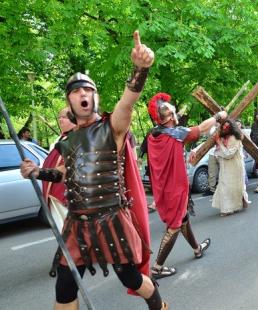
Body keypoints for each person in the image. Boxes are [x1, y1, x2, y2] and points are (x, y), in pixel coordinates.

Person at [20, 31, 166, 309]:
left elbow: (128, 100)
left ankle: (159, 305)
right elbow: (64, 173)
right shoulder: (69, 140)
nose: (82, 93)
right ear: (70, 102)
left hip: (112, 218)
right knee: (65, 286)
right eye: (76, 91)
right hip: (78, 224)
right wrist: (37, 172)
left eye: (87, 89)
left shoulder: (113, 126)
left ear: (95, 97)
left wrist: (140, 68)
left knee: (131, 278)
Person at [147, 92, 227, 279]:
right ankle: (157, 268)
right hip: (174, 188)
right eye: (173, 112)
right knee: (175, 226)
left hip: (164, 187)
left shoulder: (153, 135)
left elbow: (169, 152)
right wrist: (218, 117)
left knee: (182, 219)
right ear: (170, 116)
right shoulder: (175, 134)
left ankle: (197, 249)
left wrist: (181, 154)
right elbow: (199, 129)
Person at [41, 107, 76, 231]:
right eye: (59, 117)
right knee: (63, 230)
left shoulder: (78, 138)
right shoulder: (61, 139)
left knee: (71, 231)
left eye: (64, 117)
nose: (60, 120)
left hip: (66, 193)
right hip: (53, 191)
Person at [212, 119, 249, 216]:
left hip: (235, 166)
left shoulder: (234, 138)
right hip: (225, 166)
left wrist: (219, 143)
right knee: (225, 186)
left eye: (227, 127)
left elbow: (229, 154)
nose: (224, 128)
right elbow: (219, 151)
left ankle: (232, 207)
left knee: (233, 186)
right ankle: (227, 208)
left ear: (231, 128)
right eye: (223, 126)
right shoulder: (224, 137)